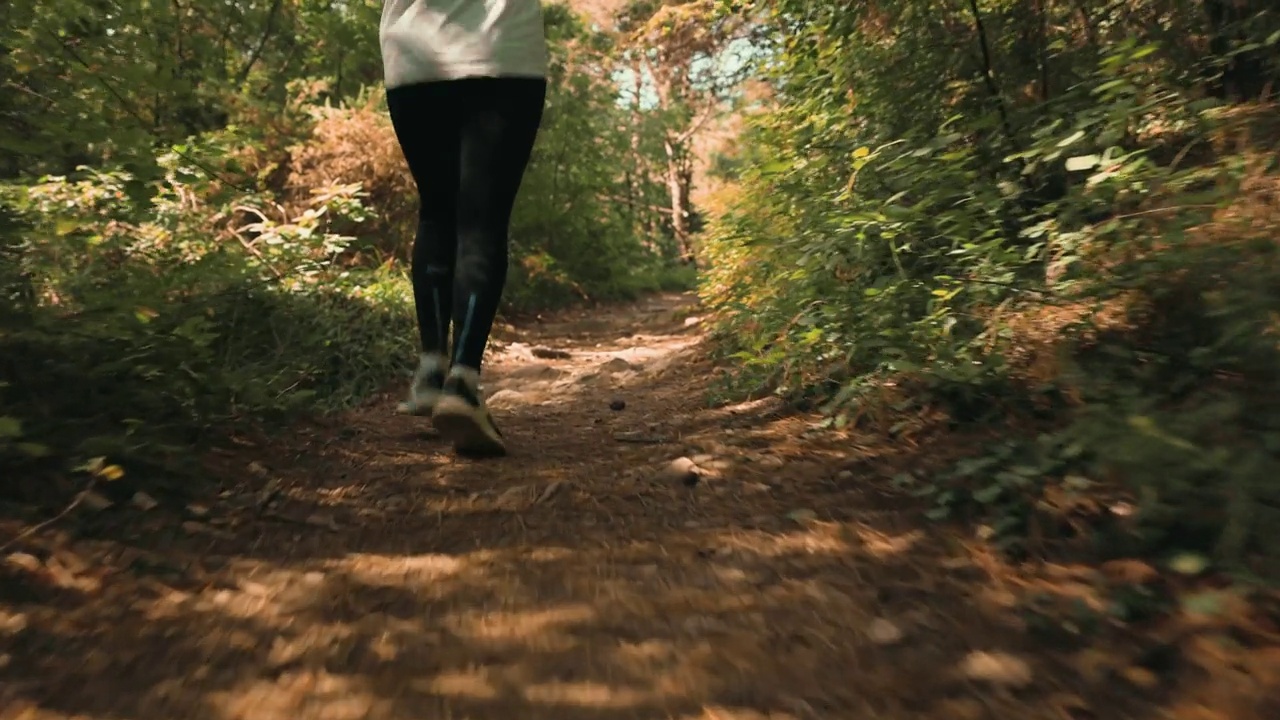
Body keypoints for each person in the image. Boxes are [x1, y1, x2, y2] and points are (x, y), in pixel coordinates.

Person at [379, 0, 549, 457]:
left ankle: (431, 371)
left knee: (436, 210)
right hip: (500, 52)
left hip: (413, 55)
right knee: (482, 219)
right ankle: (463, 381)